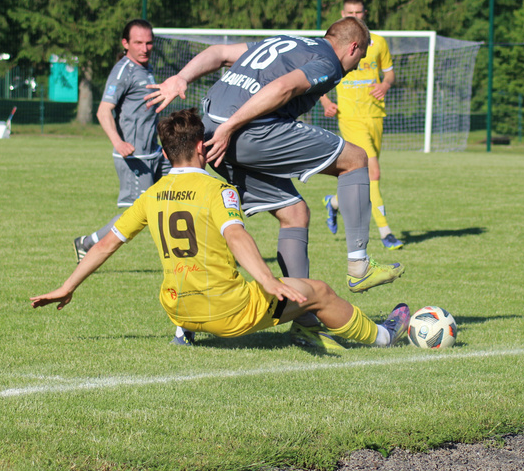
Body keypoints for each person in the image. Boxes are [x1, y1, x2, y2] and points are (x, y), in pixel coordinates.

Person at [32, 108, 411, 351]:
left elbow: (104, 246)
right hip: (226, 313)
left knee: (186, 277)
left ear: (165, 154)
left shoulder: (152, 195)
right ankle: (383, 335)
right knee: (319, 292)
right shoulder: (218, 190)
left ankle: (185, 330)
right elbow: (236, 235)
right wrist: (266, 279)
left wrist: (67, 287)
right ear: (202, 146)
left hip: (177, 307)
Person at [144, 17, 406, 351]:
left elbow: (218, 52)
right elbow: (283, 89)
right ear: (353, 47)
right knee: (356, 159)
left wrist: (181, 77)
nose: (356, 68)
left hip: (211, 132)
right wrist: (231, 128)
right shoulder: (326, 59)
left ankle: (305, 325)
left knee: (294, 213)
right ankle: (359, 265)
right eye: (360, 58)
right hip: (242, 132)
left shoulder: (288, 42)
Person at [73, 19, 170, 263]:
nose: (145, 48)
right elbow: (103, 111)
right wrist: (118, 142)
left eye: (149, 43)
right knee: (136, 215)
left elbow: (147, 114)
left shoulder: (145, 69)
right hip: (134, 158)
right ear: (125, 43)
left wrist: (166, 146)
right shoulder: (123, 70)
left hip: (155, 154)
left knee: (187, 188)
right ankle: (88, 243)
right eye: (138, 42)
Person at [319, 0, 403, 250]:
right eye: (350, 13)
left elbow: (389, 73)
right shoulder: (335, 43)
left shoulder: (378, 43)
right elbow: (318, 74)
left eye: (359, 13)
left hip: (375, 115)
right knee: (372, 171)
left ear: (365, 13)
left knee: (368, 174)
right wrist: (325, 102)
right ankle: (386, 232)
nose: (355, 17)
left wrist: (385, 85)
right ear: (342, 14)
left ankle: (333, 203)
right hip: (350, 117)